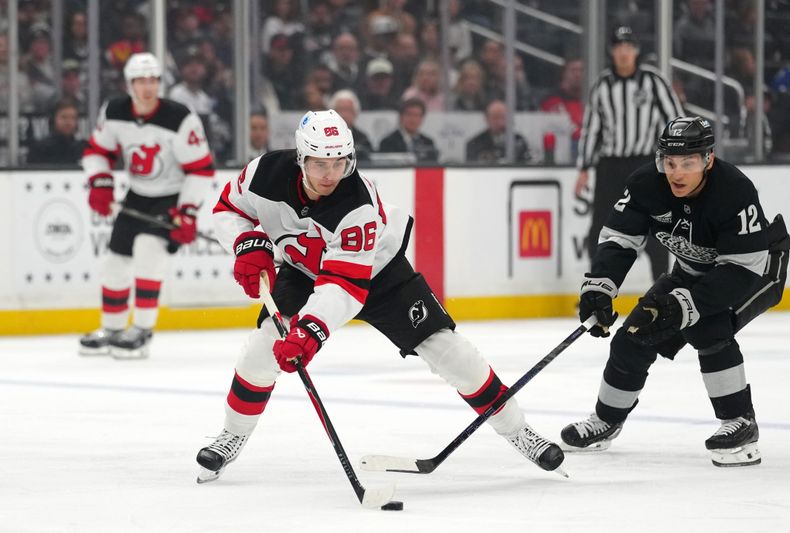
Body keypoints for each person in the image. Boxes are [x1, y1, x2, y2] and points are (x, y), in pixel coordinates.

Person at [195, 109, 565, 482]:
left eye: (339, 163)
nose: (330, 174)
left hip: (378, 273)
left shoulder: (357, 206)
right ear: (300, 158)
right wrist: (246, 244)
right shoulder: (265, 172)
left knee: (452, 353)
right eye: (320, 163)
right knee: (263, 348)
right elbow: (229, 208)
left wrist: (309, 331)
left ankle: (520, 432)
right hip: (304, 271)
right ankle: (232, 435)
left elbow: (344, 286)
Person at [561, 117, 790, 467]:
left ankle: (741, 423)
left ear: (708, 160)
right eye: (670, 162)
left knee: (707, 326)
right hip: (691, 272)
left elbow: (742, 268)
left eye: (688, 163)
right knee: (633, 336)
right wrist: (599, 288)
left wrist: (688, 305)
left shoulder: (734, 190)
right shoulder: (645, 185)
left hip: (756, 271)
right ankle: (606, 420)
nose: (677, 173)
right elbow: (620, 240)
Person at [78, 52, 215, 359]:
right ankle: (112, 329)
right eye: (141, 81)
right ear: (130, 84)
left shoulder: (179, 117)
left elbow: (201, 169)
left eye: (153, 80)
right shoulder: (114, 111)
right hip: (138, 194)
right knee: (115, 262)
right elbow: (96, 151)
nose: (147, 87)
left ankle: (141, 330)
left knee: (149, 251)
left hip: (171, 197)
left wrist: (189, 210)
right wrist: (100, 180)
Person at [576, 26, 684, 283]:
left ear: (636, 51)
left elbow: (674, 119)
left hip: (644, 163)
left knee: (657, 227)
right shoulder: (602, 86)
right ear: (611, 52)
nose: (623, 53)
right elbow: (591, 129)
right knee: (600, 229)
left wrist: (676, 157)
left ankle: (662, 287)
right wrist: (583, 168)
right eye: (618, 47)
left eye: (628, 47)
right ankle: (596, 287)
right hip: (610, 166)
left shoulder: (653, 81)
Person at [465, 100, 532, 163]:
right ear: (487, 119)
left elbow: (526, 165)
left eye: (503, 117)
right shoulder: (474, 144)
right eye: (495, 117)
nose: (500, 122)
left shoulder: (519, 140)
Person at [378, 97, 439, 162]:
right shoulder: (388, 143)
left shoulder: (428, 142)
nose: (413, 119)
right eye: (409, 114)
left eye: (417, 115)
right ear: (401, 117)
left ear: (422, 118)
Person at [27, 98, 85, 165]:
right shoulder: (39, 149)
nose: (69, 122)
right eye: (64, 117)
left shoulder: (82, 149)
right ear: (53, 119)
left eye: (72, 117)